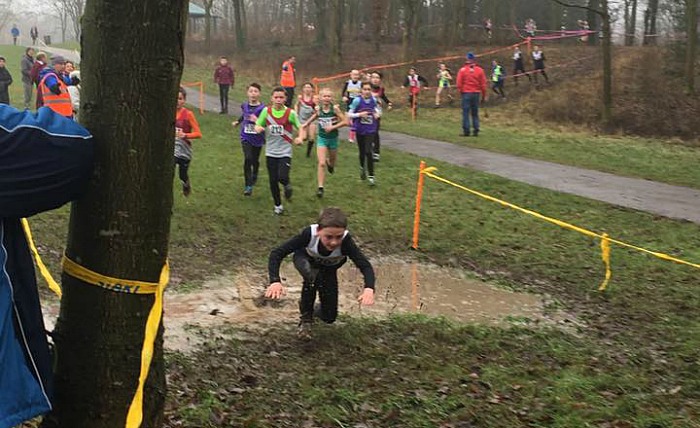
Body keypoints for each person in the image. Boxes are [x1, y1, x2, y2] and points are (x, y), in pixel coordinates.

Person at [265, 207, 376, 339]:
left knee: (329, 317)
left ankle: (312, 310)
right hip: (305, 260)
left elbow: (365, 266)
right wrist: (275, 281)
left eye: (338, 237)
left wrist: (369, 288)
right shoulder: (308, 234)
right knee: (312, 277)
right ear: (318, 231)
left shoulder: (346, 243)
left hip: (329, 269)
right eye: (328, 237)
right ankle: (306, 320)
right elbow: (277, 253)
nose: (334, 242)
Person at [254, 86, 303, 215]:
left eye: (281, 97)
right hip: (270, 151)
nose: (278, 100)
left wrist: (300, 137)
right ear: (271, 98)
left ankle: (287, 185)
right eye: (276, 97)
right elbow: (258, 124)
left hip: (285, 152)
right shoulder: (266, 111)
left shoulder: (290, 113)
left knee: (282, 176)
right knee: (273, 180)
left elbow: (300, 127)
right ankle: (278, 205)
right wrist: (258, 128)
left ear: (285, 99)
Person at [300, 87, 346, 198]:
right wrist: (306, 124)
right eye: (324, 96)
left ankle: (330, 163)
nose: (326, 98)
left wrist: (333, 127)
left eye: (328, 96)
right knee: (321, 163)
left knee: (332, 162)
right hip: (322, 138)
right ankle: (320, 187)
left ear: (332, 98)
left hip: (333, 139)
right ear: (320, 98)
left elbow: (346, 121)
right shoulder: (318, 109)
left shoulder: (335, 109)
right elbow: (315, 116)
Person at [232, 83, 265, 196]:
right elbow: (244, 115)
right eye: (251, 91)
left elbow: (266, 123)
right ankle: (248, 185)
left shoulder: (263, 109)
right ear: (247, 93)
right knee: (248, 158)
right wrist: (238, 121)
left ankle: (255, 172)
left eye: (255, 91)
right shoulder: (244, 105)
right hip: (245, 136)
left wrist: (257, 120)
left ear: (259, 94)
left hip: (257, 137)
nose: (253, 94)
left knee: (255, 159)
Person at [347, 81, 382, 186]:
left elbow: (378, 110)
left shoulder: (374, 100)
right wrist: (359, 114)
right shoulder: (357, 101)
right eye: (365, 89)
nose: (367, 92)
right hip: (360, 129)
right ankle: (362, 167)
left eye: (369, 90)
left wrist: (377, 114)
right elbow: (349, 114)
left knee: (368, 151)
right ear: (361, 90)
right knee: (362, 152)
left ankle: (371, 176)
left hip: (371, 129)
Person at [174, 87, 202, 197]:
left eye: (180, 99)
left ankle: (186, 183)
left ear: (184, 100)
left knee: (182, 174)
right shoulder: (167, 113)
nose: (178, 101)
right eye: (176, 98)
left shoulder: (188, 114)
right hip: (172, 147)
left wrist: (185, 135)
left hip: (184, 149)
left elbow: (198, 134)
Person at [456, 52, 487, 137]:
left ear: (467, 59)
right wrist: (484, 95)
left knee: (466, 112)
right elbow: (483, 84)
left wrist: (461, 92)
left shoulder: (462, 70)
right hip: (476, 93)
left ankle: (466, 130)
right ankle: (476, 129)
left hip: (466, 93)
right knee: (475, 112)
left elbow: (459, 83)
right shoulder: (480, 70)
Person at [369, 71, 391, 162]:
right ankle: (368, 150)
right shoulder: (366, 88)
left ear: (380, 80)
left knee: (375, 132)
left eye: (377, 77)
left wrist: (389, 103)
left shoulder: (381, 90)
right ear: (370, 78)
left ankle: (376, 153)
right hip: (366, 113)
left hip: (377, 113)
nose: (375, 79)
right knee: (367, 133)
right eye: (373, 77)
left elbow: (384, 98)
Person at [295, 82, 317, 158]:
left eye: (309, 87)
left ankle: (308, 154)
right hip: (302, 119)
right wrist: (296, 114)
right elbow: (296, 105)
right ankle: (298, 139)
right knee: (304, 138)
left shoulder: (314, 99)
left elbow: (317, 112)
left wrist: (308, 122)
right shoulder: (300, 98)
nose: (307, 89)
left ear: (312, 89)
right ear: (303, 89)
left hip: (311, 119)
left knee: (311, 137)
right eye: (305, 87)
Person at [341, 69, 362, 143]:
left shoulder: (360, 83)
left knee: (355, 120)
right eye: (354, 75)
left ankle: (352, 136)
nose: (355, 76)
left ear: (359, 76)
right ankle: (354, 130)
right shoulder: (348, 83)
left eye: (357, 75)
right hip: (350, 102)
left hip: (358, 103)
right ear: (351, 75)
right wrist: (344, 96)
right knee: (349, 120)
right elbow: (343, 92)